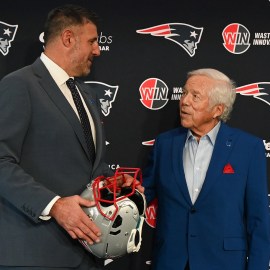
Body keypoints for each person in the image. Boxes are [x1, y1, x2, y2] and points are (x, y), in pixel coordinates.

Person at [0, 4, 115, 270]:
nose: (97, 50)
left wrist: (114, 184)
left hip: (87, 252)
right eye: (92, 41)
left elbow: (87, 167)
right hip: (36, 255)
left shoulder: (87, 95)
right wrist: (54, 205)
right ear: (67, 38)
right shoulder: (20, 85)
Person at [142, 68, 270, 270]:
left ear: (217, 110)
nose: (184, 101)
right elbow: (143, 194)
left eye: (195, 96)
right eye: (184, 93)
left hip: (223, 263)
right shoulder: (165, 144)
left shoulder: (248, 148)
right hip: (171, 261)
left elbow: (259, 219)